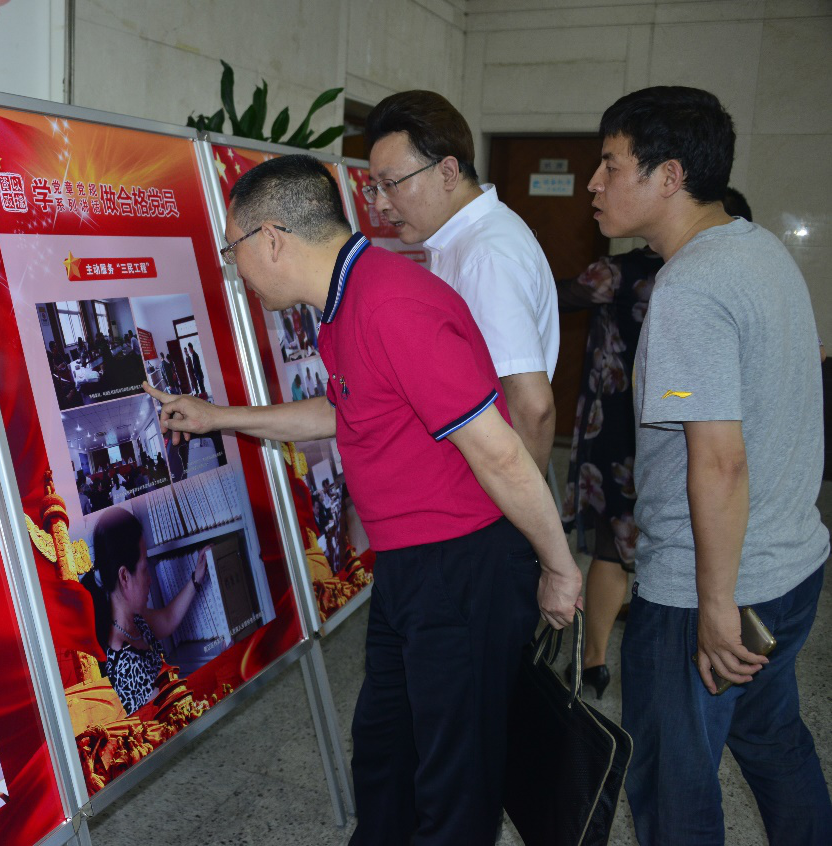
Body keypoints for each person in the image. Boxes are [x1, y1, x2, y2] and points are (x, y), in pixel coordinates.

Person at [143, 154, 581, 845]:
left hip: (462, 566)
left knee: (454, 780)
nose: (234, 267)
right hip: (412, 565)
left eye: (233, 249)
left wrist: (557, 565)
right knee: (386, 752)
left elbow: (498, 451)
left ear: (271, 239)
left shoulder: (390, 305)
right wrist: (219, 418)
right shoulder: (347, 302)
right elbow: (344, 409)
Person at [590, 85, 832, 845]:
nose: (594, 183)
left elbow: (718, 460)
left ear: (669, 176)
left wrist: (715, 602)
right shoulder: (758, 249)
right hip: (790, 564)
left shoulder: (690, 285)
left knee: (672, 783)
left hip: (711, 586)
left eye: (610, 165)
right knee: (772, 739)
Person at [560, 188, 754, 698]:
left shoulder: (617, 273)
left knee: (611, 544)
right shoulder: (724, 276)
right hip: (693, 427)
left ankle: (594, 662)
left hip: (617, 428)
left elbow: (550, 297)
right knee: (684, 534)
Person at [365, 91, 559, 475]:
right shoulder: (460, 243)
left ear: (448, 173)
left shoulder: (487, 255)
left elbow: (532, 407)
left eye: (391, 184)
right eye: (374, 188)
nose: (381, 204)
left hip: (487, 490)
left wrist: (517, 507)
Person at [80, 507, 209, 715]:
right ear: (124, 577)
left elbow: (167, 619)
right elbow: (177, 719)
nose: (150, 579)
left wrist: (196, 579)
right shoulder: (128, 667)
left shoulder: (132, 621)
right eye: (144, 568)